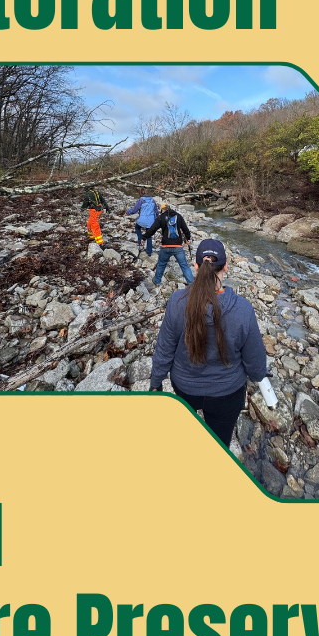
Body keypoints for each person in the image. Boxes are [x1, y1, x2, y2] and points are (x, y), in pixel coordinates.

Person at [149, 239, 269, 446]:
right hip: (227, 393)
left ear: (196, 266)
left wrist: (156, 382)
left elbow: (164, 349)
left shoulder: (177, 302)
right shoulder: (242, 309)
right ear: (226, 267)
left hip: (185, 387)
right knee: (219, 445)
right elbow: (255, 361)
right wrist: (259, 375)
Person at [143, 202, 195, 286]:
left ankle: (157, 282)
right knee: (184, 266)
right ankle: (192, 285)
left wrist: (144, 237)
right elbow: (185, 229)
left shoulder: (161, 217)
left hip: (166, 246)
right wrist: (188, 239)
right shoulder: (178, 216)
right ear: (169, 208)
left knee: (161, 264)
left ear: (163, 210)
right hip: (178, 246)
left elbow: (152, 229)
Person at [125, 189, 160, 255]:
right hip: (151, 221)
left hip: (142, 220)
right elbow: (156, 211)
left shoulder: (141, 200)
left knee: (137, 227)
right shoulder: (152, 200)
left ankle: (140, 241)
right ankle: (149, 252)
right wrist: (156, 218)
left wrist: (128, 213)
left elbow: (135, 209)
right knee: (149, 235)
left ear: (140, 193)